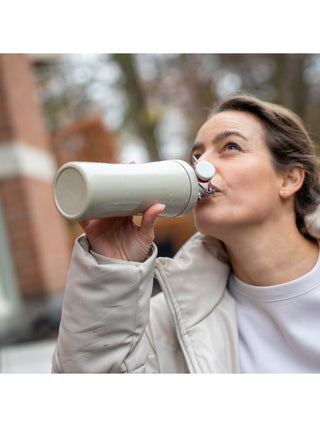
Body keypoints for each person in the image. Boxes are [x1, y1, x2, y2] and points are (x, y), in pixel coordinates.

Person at [52, 94, 320, 373]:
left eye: (231, 146)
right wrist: (111, 269)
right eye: (197, 155)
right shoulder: (168, 323)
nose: (201, 165)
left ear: (289, 179)